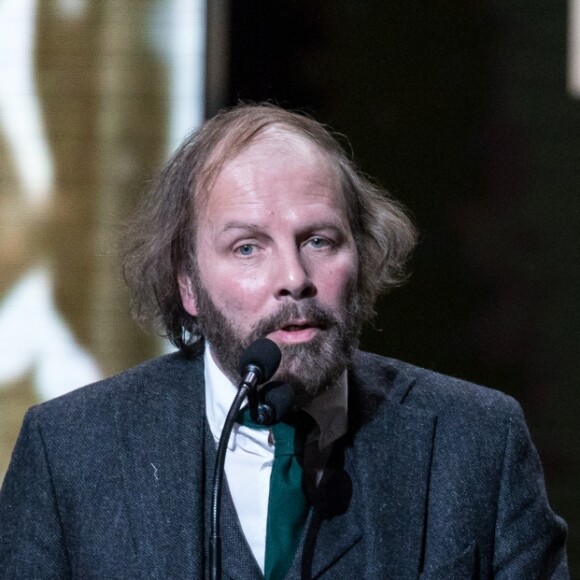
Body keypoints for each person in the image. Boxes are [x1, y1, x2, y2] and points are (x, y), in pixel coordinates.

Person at [0, 104, 568, 579]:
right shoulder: (70, 455)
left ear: (363, 257)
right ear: (188, 285)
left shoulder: (476, 443)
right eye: (248, 247)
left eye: (319, 240)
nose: (293, 277)